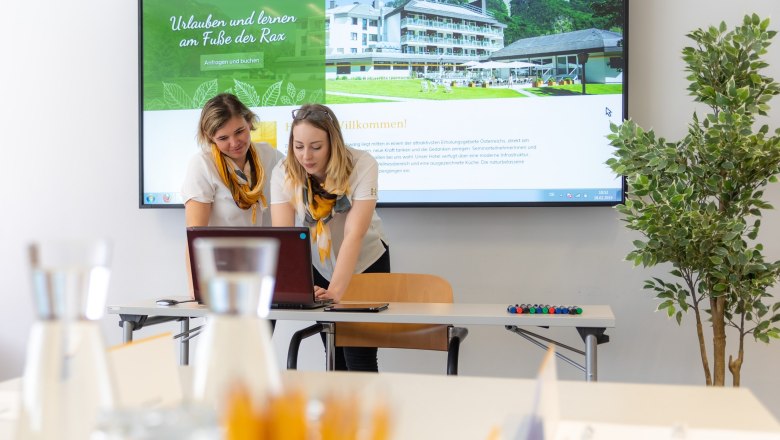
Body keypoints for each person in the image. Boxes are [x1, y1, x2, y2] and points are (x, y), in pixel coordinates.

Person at [270, 103, 390, 372]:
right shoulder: (283, 172)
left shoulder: (362, 164)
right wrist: (295, 288)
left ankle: (367, 415)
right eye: (298, 146)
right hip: (319, 263)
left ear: (333, 143)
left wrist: (335, 292)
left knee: (359, 356)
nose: (306, 156)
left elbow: (354, 234)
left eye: (316, 146)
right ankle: (339, 414)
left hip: (365, 263)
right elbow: (285, 238)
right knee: (333, 354)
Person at [181, 93, 284, 293]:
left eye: (240, 131)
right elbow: (194, 238)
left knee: (263, 326)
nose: (235, 142)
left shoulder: (268, 155)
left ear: (249, 122)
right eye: (223, 138)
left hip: (265, 273)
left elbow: (301, 179)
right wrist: (196, 293)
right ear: (210, 138)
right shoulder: (202, 165)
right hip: (222, 277)